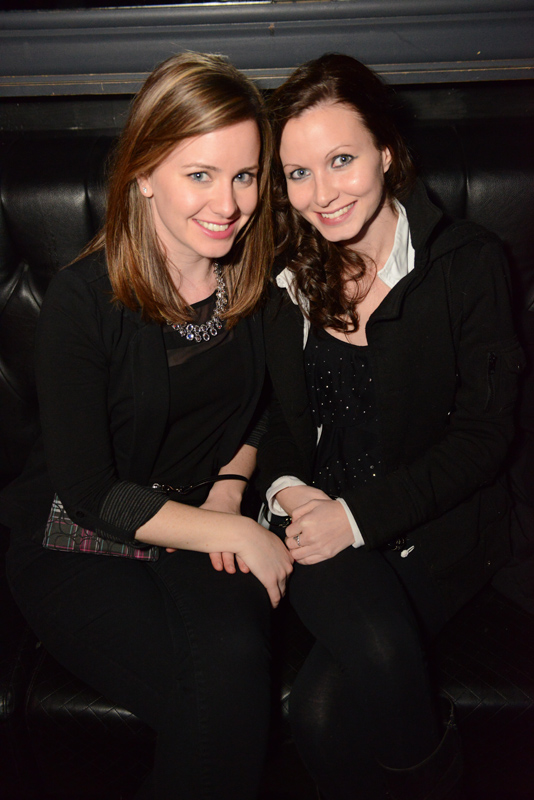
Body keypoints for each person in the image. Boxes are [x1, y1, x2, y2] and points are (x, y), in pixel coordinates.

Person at [2, 52, 293, 800]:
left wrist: (230, 490)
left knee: (232, 681)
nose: (229, 204)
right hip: (81, 537)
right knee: (222, 712)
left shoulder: (255, 278)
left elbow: (266, 405)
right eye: (199, 174)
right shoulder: (81, 301)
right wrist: (235, 532)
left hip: (203, 521)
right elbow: (91, 492)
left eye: (245, 175)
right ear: (143, 174)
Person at [257, 53, 524, 800]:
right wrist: (290, 492)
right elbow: (275, 422)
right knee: (318, 716)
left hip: (434, 531)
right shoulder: (282, 274)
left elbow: (484, 439)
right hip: (315, 521)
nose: (321, 194)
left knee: (323, 711)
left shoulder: (466, 264)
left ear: (384, 150)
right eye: (298, 173)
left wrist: (355, 518)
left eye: (341, 160)